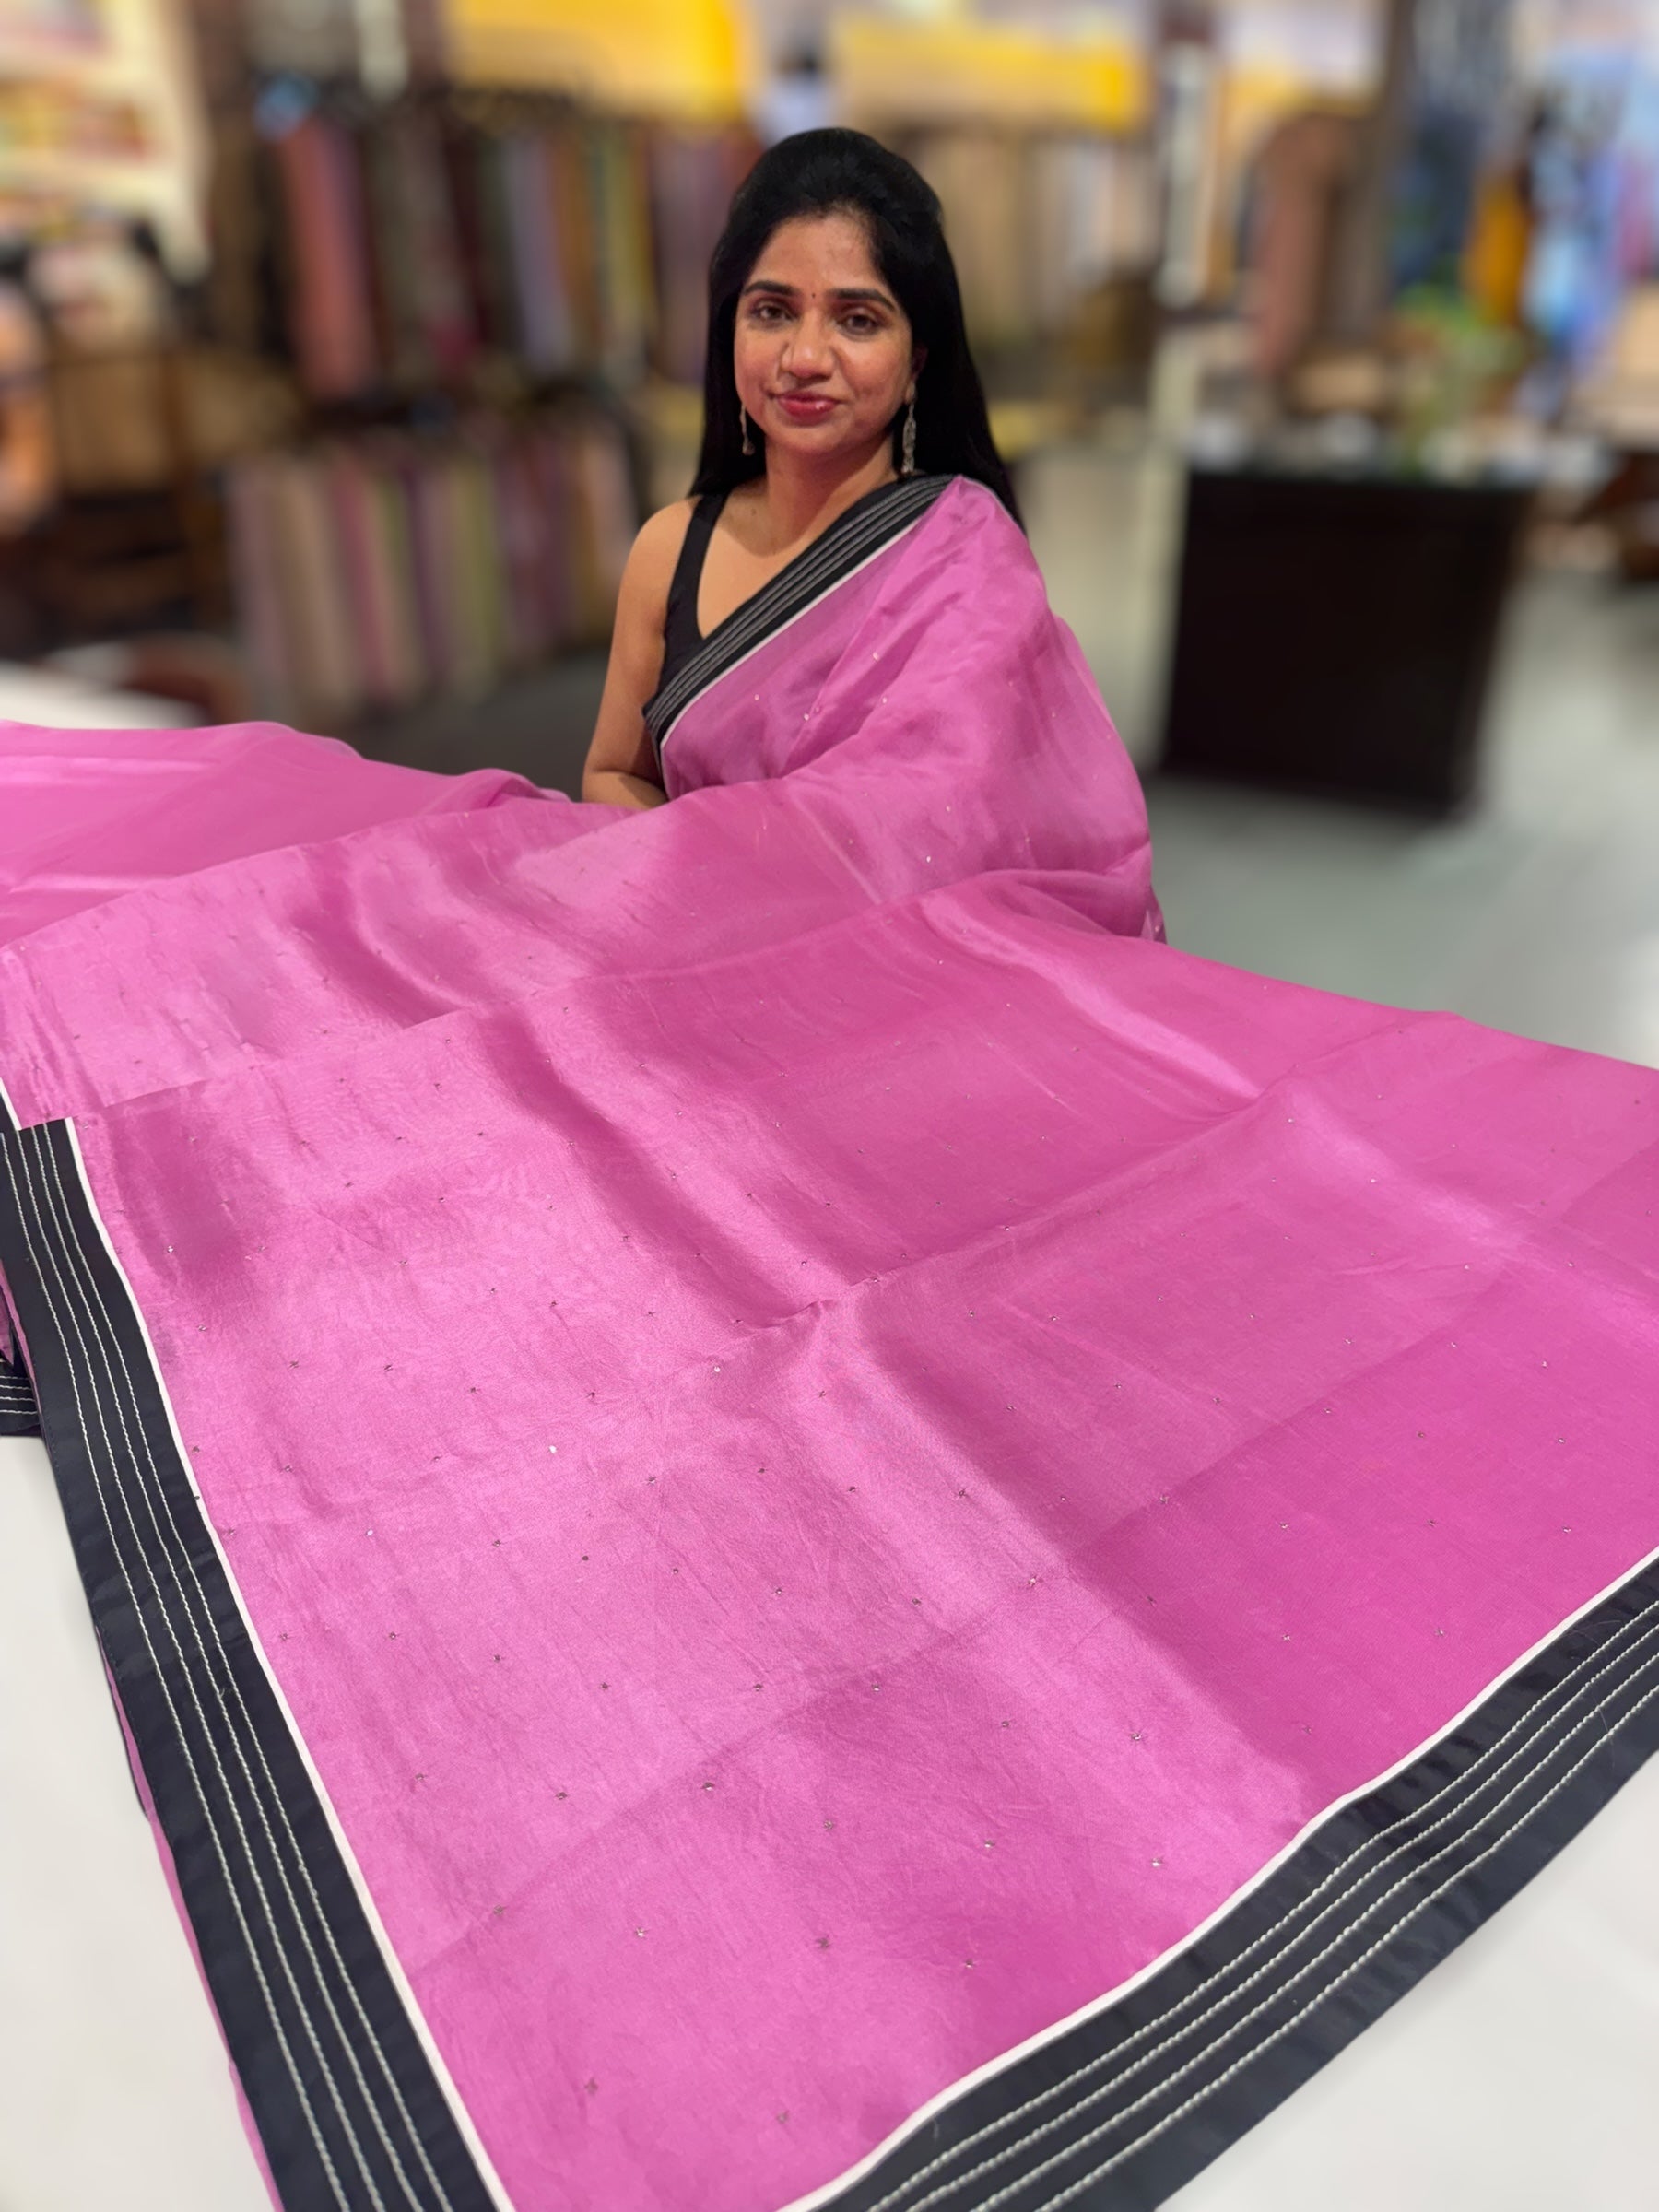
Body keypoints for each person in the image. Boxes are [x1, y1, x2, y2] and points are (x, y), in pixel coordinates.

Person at [582, 130, 1019, 812]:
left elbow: (998, 816)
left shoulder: (963, 557)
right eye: (773, 312)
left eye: (857, 320)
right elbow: (615, 773)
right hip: (692, 886)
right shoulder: (669, 552)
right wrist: (709, 866)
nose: (806, 357)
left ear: (917, 362)